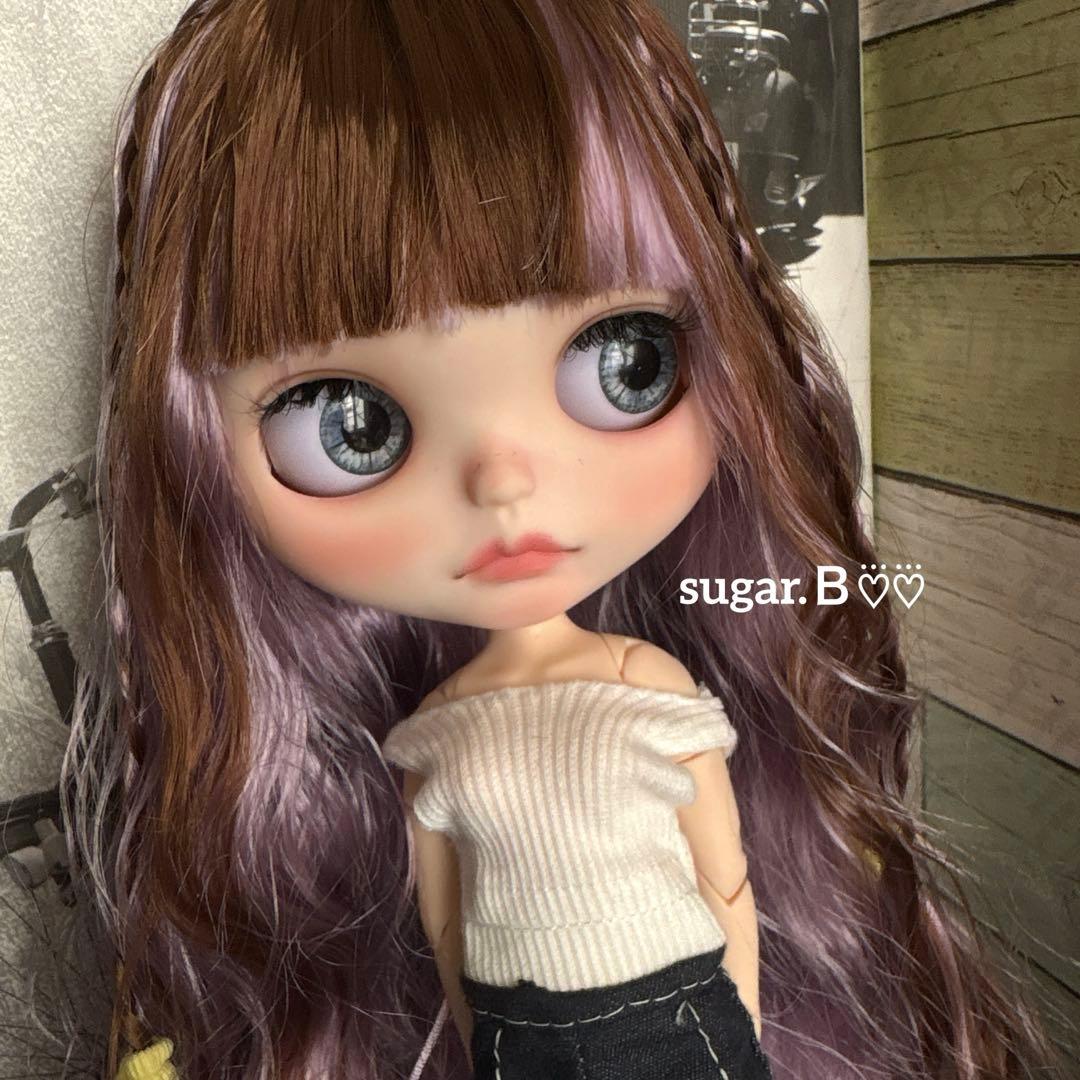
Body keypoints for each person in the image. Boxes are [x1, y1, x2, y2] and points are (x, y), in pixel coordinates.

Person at [66, 1, 1062, 1078]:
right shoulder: (433, 740)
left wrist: (735, 1029)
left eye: (624, 359)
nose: (504, 485)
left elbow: (722, 876)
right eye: (351, 424)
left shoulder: (652, 690)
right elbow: (445, 919)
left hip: (682, 1016)